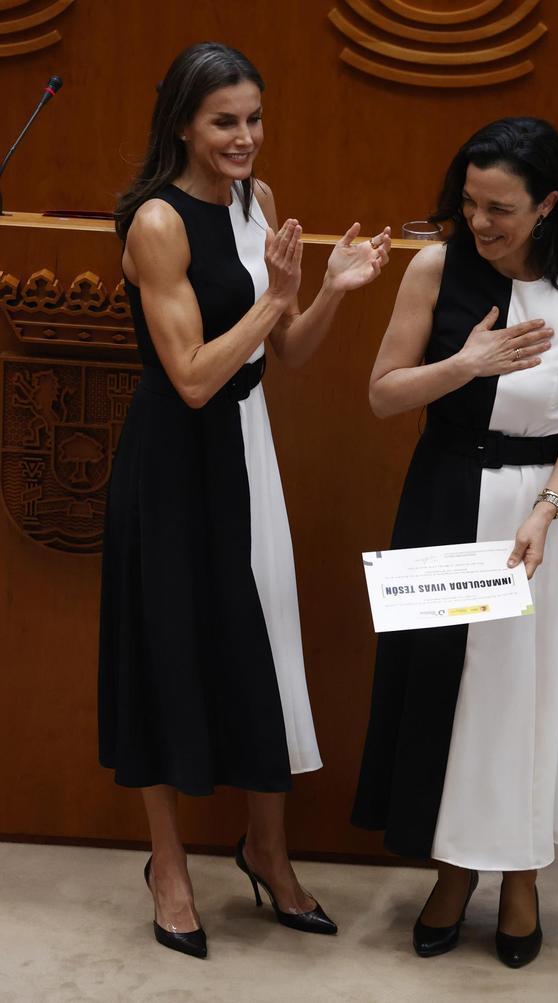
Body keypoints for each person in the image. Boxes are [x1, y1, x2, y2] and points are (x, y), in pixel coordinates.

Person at [98, 41, 390, 959]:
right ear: (183, 121)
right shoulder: (156, 221)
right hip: (177, 463)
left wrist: (329, 293)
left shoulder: (255, 203)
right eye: (226, 121)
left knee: (264, 638)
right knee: (166, 644)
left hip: (248, 445)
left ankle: (267, 847)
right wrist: (277, 301)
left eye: (255, 119)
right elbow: (188, 377)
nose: (246, 138)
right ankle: (170, 864)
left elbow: (284, 357)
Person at [352, 117, 558, 969]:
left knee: (523, 699)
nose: (479, 222)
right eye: (469, 203)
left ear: (547, 204)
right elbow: (383, 395)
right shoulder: (436, 268)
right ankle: (451, 868)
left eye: (500, 207)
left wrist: (548, 506)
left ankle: (520, 878)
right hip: (444, 498)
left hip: (539, 516)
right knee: (449, 695)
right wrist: (463, 367)